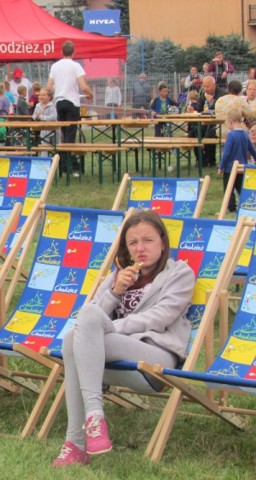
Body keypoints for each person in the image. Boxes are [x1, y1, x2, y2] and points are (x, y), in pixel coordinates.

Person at [53, 209, 195, 467]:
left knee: (78, 337)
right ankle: (83, 434)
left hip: (156, 356)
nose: (141, 248)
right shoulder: (119, 276)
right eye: (133, 243)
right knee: (73, 337)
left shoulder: (180, 273)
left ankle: (81, 436)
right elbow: (90, 317)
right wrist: (116, 291)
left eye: (148, 240)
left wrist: (105, 328)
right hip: (106, 357)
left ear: (162, 242)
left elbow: (159, 318)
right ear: (127, 249)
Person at [47, 40, 94, 177]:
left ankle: (63, 164)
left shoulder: (55, 66)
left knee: (63, 134)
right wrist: (91, 94)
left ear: (62, 52)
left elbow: (49, 86)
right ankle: (69, 166)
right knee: (70, 136)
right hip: (72, 102)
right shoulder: (76, 66)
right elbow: (84, 86)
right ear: (74, 52)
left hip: (59, 102)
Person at [218, 108, 256, 213]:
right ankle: (248, 203)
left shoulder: (231, 135)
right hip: (242, 167)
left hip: (230, 168)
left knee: (229, 189)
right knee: (241, 187)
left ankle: (232, 208)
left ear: (230, 121)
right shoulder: (245, 134)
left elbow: (226, 153)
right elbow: (252, 149)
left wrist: (221, 166)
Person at [189, 76, 226, 168]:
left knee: (210, 134)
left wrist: (213, 103)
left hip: (218, 123)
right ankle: (201, 160)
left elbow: (222, 109)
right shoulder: (203, 94)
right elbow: (199, 108)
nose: (205, 89)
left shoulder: (222, 94)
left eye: (207, 87)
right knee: (193, 133)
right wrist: (193, 109)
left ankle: (211, 161)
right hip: (204, 122)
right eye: (204, 86)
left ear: (214, 85)